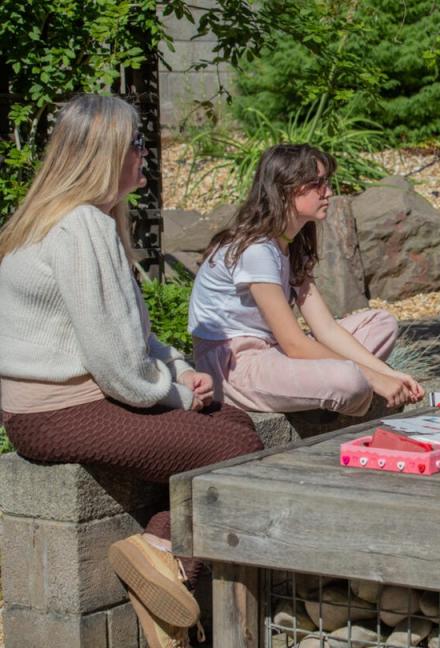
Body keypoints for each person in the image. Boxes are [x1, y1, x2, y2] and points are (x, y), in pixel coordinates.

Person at [0, 94, 264, 646]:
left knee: (235, 423)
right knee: (235, 448)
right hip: (62, 414)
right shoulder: (82, 228)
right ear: (106, 154)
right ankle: (164, 558)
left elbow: (126, 335)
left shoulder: (65, 220)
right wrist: (176, 395)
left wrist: (177, 369)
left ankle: (163, 564)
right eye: (136, 144)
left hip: (63, 406)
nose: (146, 153)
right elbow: (114, 363)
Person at [188, 144, 424, 415]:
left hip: (274, 352)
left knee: (381, 324)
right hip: (236, 368)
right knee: (350, 380)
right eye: (317, 184)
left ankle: (313, 386)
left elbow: (326, 329)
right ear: (286, 188)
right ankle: (320, 387)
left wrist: (389, 375)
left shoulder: (290, 243)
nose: (329, 192)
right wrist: (372, 377)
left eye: (327, 182)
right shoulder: (256, 249)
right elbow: (294, 343)